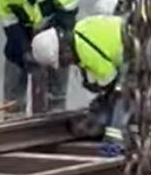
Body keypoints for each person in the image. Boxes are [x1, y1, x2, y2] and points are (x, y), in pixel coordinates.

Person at [0, 0, 79, 115]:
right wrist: (26, 51)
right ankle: (12, 117)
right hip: (23, 33)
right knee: (14, 62)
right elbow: (10, 24)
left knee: (56, 87)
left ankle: (55, 115)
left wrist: (49, 44)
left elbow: (69, 11)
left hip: (56, 29)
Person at [31, 12, 127, 154]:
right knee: (112, 95)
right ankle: (101, 123)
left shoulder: (84, 49)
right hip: (128, 49)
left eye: (63, 62)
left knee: (121, 92)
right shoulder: (80, 32)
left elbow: (109, 80)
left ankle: (115, 141)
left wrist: (97, 89)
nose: (66, 65)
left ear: (64, 51)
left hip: (138, 50)